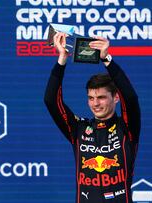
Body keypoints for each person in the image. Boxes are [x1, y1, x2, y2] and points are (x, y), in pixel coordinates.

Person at [44, 32, 141, 203]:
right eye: (91, 98)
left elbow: (131, 98)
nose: (95, 103)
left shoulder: (126, 127)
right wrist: (62, 60)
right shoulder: (78, 129)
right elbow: (51, 100)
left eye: (101, 97)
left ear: (116, 97)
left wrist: (107, 59)